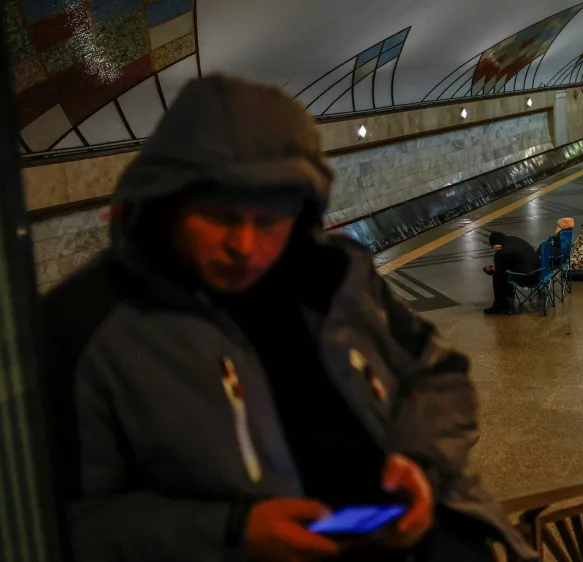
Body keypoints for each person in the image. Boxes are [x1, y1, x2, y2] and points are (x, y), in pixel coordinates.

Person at [39, 75, 534, 562]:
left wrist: (422, 462)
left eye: (268, 222)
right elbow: (66, 525)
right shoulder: (87, 327)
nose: (244, 247)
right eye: (219, 217)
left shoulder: (337, 275)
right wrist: (233, 534)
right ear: (167, 204)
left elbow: (437, 374)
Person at [483, 231, 540, 314]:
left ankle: (500, 306)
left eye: (492, 246)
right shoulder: (512, 239)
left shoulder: (504, 252)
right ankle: (509, 295)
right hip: (539, 270)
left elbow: (499, 267)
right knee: (506, 269)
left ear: (496, 245)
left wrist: (496, 255)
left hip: (530, 277)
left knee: (498, 276)